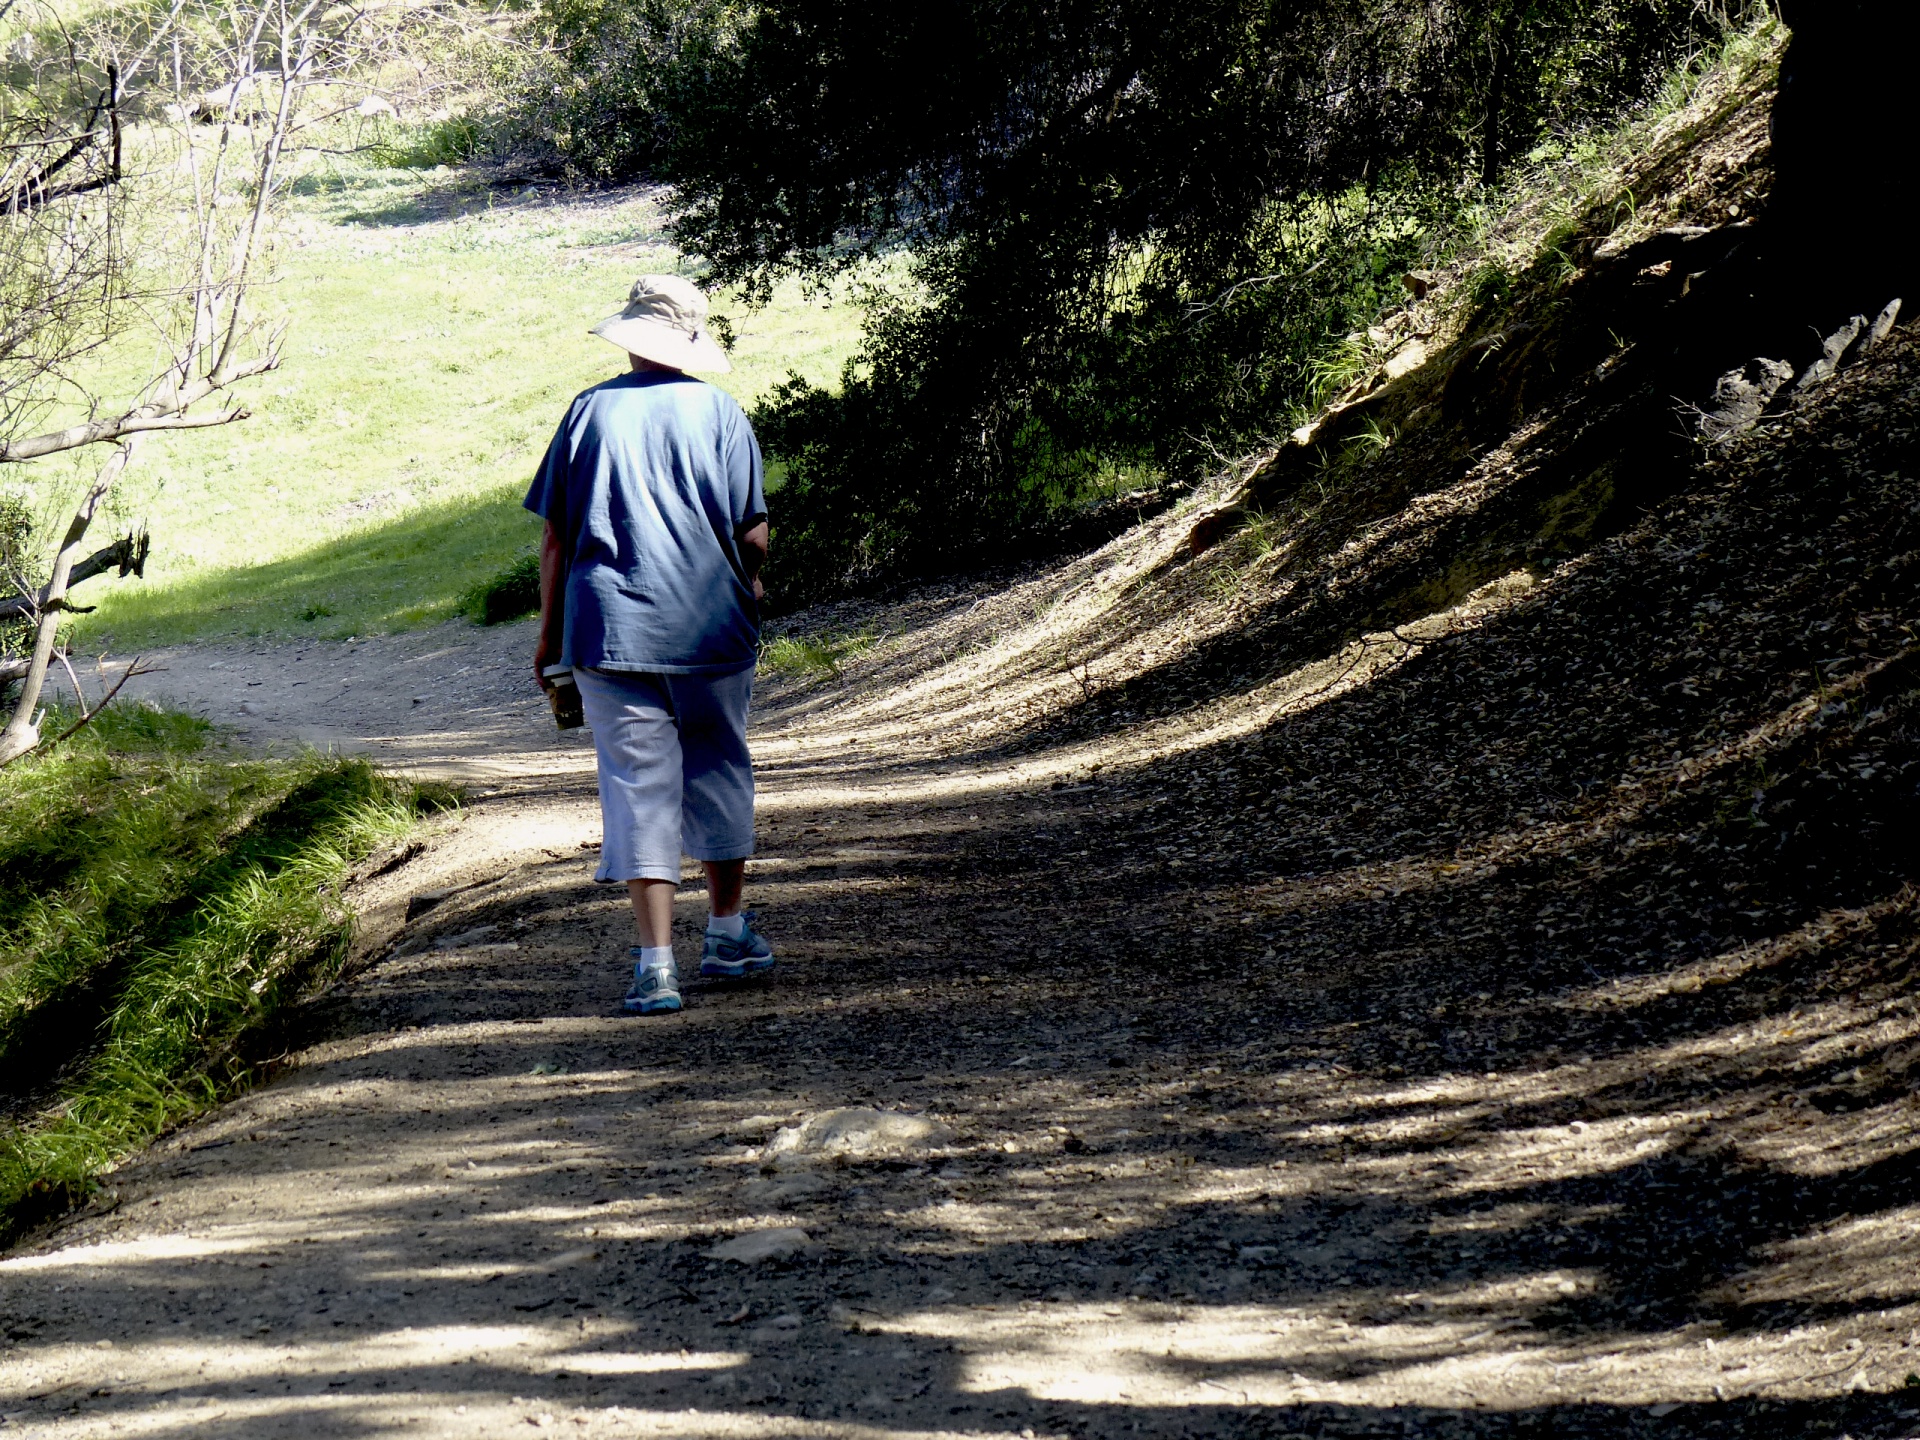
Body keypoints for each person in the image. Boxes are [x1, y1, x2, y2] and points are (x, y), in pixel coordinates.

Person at [524, 274, 773, 1015]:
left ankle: (655, 967)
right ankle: (727, 936)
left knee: (638, 787)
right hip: (712, 629)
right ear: (690, 342)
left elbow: (555, 540)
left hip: (610, 631)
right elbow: (751, 534)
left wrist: (548, 638)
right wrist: (747, 584)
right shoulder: (722, 414)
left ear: (630, 336)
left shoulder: (587, 414)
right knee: (719, 768)